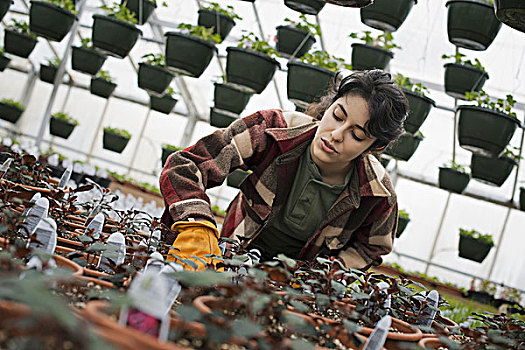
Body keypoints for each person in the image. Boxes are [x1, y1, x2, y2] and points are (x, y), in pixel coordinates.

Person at [159, 70, 409, 271]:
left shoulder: (377, 194)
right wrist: (197, 223)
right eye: (337, 115)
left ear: (374, 146)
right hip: (231, 258)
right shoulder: (273, 130)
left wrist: (322, 278)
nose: (336, 135)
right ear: (330, 105)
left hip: (297, 287)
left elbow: (372, 248)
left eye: (356, 134)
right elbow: (186, 166)